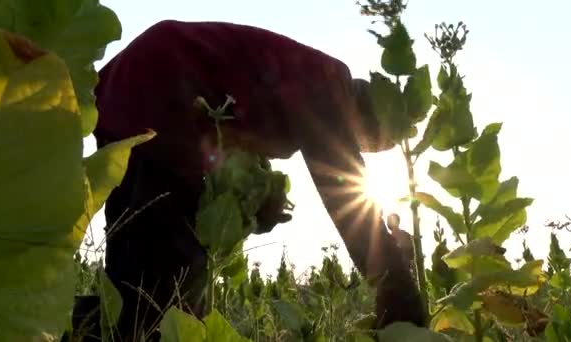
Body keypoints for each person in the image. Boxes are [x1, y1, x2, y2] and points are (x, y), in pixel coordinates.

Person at [91, 19, 425, 340]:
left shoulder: (299, 90)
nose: (356, 149)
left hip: (141, 88)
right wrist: (396, 287)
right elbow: (342, 190)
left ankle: (61, 328)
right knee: (171, 291)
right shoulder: (328, 83)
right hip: (162, 82)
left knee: (134, 290)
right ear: (363, 118)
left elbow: (226, 156)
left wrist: (257, 205)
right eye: (364, 144)